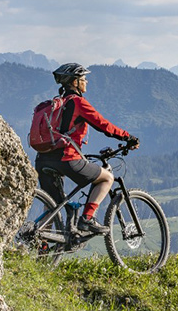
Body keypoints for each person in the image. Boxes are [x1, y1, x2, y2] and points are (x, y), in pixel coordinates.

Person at [35, 63, 139, 235]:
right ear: (75, 82)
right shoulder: (77, 102)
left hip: (42, 159)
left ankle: (42, 243)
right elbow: (103, 124)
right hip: (66, 159)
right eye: (83, 79)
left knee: (52, 205)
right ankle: (87, 219)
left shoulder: (55, 105)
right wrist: (127, 137)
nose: (86, 82)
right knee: (107, 178)